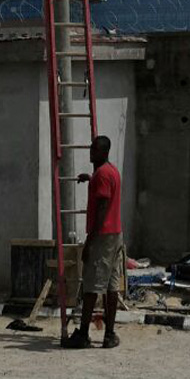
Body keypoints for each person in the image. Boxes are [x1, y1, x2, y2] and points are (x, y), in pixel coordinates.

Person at [63, 135, 123, 349]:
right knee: (111, 285)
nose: (91, 152)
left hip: (103, 236)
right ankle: (109, 334)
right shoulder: (109, 171)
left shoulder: (103, 175)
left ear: (103, 152)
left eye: (95, 150)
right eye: (91, 148)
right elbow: (104, 190)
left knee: (91, 285)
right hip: (115, 234)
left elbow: (102, 208)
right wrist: (91, 179)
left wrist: (90, 241)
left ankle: (83, 334)